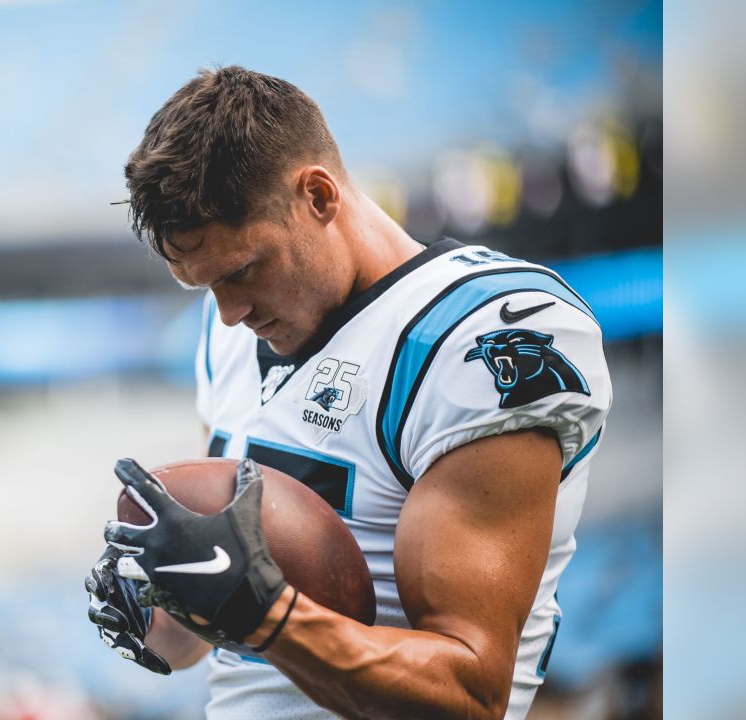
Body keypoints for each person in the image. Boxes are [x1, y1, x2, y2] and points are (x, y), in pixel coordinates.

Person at [84, 66, 611, 720]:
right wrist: (160, 607)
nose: (229, 311)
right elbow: (210, 642)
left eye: (243, 270)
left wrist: (268, 614)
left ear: (318, 196)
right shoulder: (228, 333)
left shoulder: (475, 338)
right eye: (204, 285)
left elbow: (470, 693)